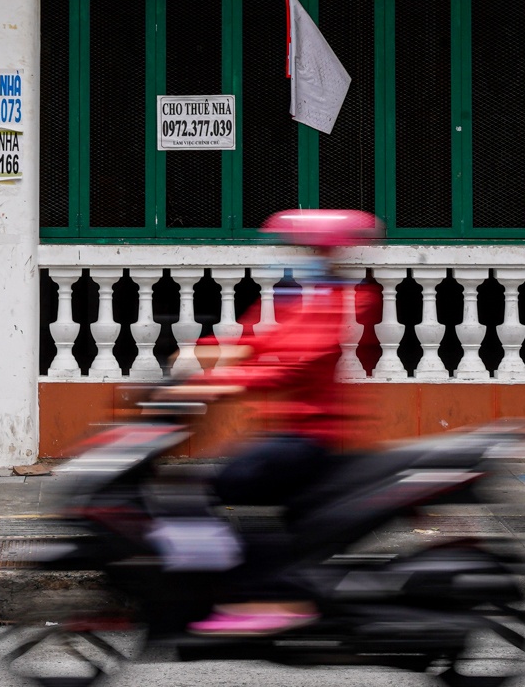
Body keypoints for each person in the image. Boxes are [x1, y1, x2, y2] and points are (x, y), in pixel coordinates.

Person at [159, 207, 381, 637]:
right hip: (289, 431)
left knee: (222, 486)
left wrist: (214, 384)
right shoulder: (306, 297)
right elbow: (258, 341)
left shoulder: (340, 300)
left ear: (324, 251)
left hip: (311, 435)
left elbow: (292, 366)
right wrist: (199, 352)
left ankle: (275, 597)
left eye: (302, 249)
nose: (293, 256)